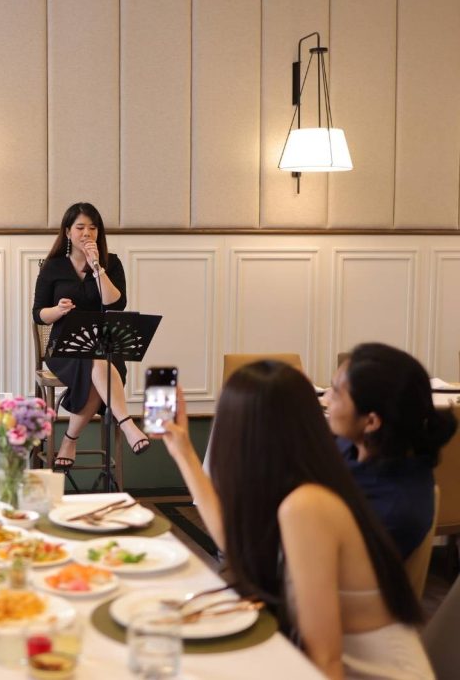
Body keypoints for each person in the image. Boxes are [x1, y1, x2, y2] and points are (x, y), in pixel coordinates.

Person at [160, 360, 432, 679]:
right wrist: (183, 452)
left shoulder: (307, 506)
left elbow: (326, 660)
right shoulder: (309, 483)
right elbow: (238, 547)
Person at [32, 202, 148, 470]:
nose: (87, 233)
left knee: (98, 361)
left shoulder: (111, 263)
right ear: (68, 232)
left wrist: (97, 268)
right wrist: (58, 311)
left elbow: (115, 304)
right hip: (64, 347)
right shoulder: (52, 267)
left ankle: (70, 439)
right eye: (80, 227)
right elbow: (38, 314)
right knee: (97, 364)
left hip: (103, 343)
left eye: (93, 228)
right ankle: (128, 424)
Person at [325, 343, 457, 560]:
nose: (327, 398)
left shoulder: (393, 510)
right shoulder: (356, 445)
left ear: (371, 421)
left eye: (337, 393)